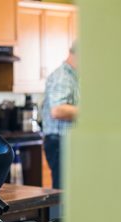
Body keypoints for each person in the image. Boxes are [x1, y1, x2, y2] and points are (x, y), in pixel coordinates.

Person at [41, 42, 79, 189]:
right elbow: (57, 110)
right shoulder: (62, 77)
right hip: (60, 142)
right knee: (63, 191)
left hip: (67, 141)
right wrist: (91, 111)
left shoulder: (74, 76)